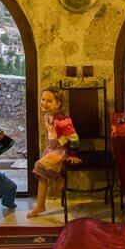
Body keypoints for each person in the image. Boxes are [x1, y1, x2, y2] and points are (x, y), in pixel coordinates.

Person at [27, 86, 81, 218]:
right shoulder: (47, 117)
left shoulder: (61, 120)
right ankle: (58, 181)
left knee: (39, 168)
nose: (44, 103)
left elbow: (74, 138)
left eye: (49, 101)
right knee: (42, 174)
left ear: (58, 103)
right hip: (51, 148)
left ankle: (40, 205)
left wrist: (73, 154)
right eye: (43, 99)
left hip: (61, 150)